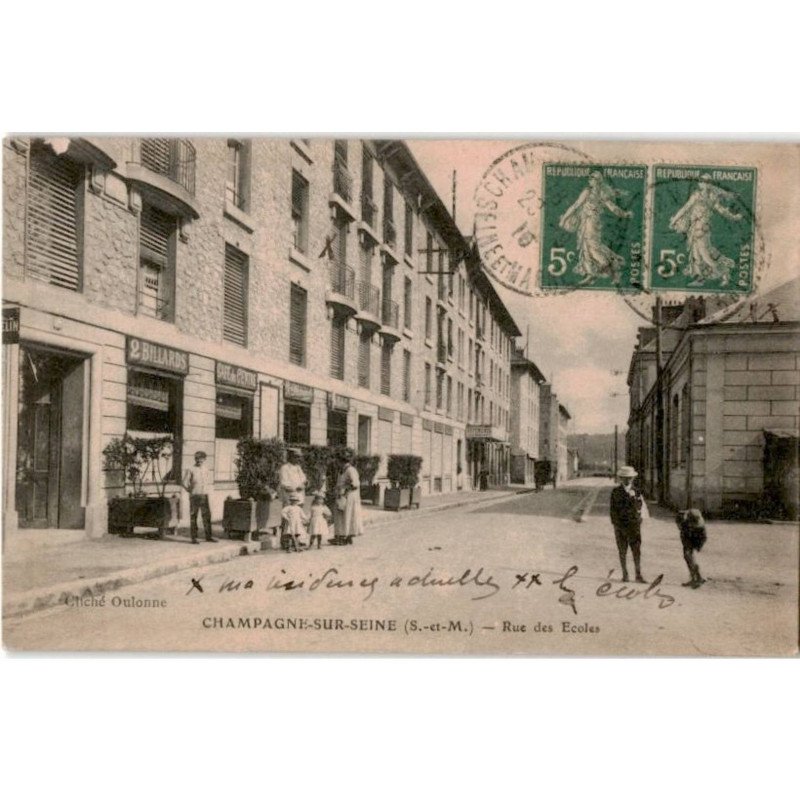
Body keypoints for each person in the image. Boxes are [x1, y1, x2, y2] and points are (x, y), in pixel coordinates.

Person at [558, 171, 633, 286]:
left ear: (597, 181)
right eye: (590, 178)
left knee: (592, 248)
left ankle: (610, 267)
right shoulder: (602, 193)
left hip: (589, 223)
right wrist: (624, 214)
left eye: (592, 178)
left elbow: (576, 205)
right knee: (587, 247)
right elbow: (613, 208)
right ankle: (593, 274)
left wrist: (564, 219)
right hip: (592, 223)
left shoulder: (588, 192)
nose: (589, 180)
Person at [669, 174, 742, 287]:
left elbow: (721, 210)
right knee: (696, 254)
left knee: (705, 255)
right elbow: (685, 208)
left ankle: (725, 272)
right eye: (703, 181)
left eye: (707, 181)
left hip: (702, 229)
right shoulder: (697, 195)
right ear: (700, 183)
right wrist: (675, 220)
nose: (705, 183)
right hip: (694, 229)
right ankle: (700, 279)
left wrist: (734, 217)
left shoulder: (711, 197)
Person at [609, 465, 647, 583]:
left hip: (634, 526)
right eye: (625, 478)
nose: (628, 480)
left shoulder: (637, 491)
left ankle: (638, 574)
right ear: (621, 478)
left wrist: (639, 519)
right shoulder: (616, 492)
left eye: (630, 478)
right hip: (620, 526)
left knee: (636, 551)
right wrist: (616, 525)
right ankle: (625, 574)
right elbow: (612, 510)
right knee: (622, 551)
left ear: (633, 478)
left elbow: (641, 508)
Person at [183, 451, 217, 544]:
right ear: (195, 459)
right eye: (197, 459)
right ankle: (194, 538)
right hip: (194, 496)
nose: (199, 461)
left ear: (204, 460)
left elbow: (207, 481)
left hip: (204, 495)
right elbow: (184, 482)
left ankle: (208, 536)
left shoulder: (206, 469)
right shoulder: (190, 469)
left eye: (201, 459)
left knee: (206, 516)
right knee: (194, 516)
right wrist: (190, 491)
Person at [334, 454, 363, 544]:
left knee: (348, 515)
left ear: (342, 462)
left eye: (338, 462)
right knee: (341, 515)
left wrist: (345, 491)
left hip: (349, 496)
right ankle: (343, 536)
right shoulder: (342, 470)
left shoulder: (351, 470)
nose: (337, 464)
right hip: (343, 495)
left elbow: (355, 484)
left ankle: (345, 537)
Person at [676, 508, 707, 588]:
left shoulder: (696, 525)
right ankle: (697, 577)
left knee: (689, 557)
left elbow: (702, 537)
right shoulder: (685, 524)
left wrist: (696, 546)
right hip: (691, 535)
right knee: (688, 557)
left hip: (695, 536)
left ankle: (696, 578)